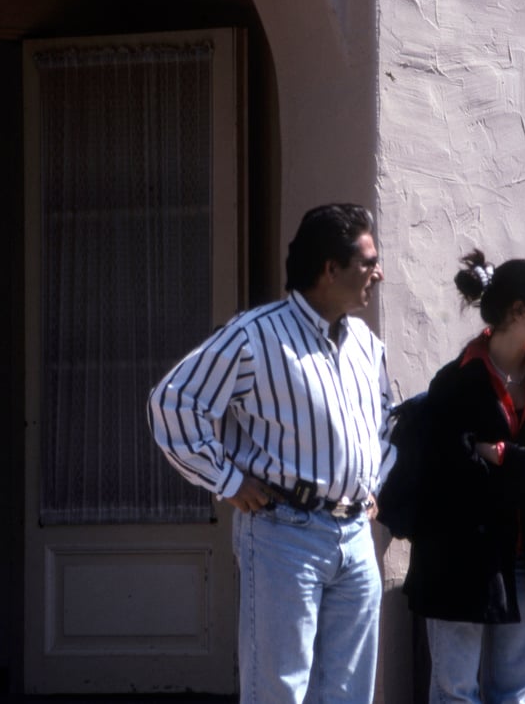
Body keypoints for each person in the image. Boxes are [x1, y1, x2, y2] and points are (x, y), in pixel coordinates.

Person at [148, 203, 395, 704]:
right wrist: (227, 480)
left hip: (355, 536)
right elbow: (174, 402)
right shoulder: (256, 335)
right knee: (279, 690)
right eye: (368, 262)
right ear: (330, 269)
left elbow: (387, 421)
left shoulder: (366, 343)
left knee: (350, 694)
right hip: (285, 533)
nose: (378, 273)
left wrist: (374, 481)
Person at [404, 249, 525, 704]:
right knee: (455, 691)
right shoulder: (457, 381)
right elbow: (455, 471)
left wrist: (503, 455)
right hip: (459, 556)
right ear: (517, 311)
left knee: (513, 691)